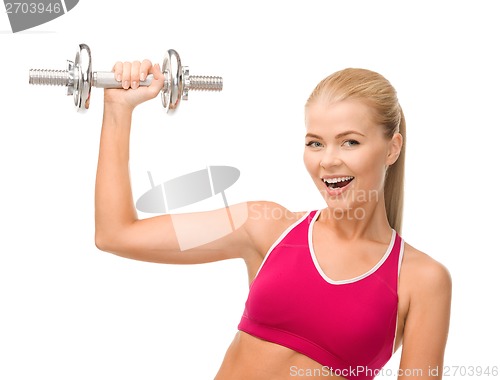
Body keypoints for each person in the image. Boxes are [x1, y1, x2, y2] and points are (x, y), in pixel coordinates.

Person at [95, 59, 452, 379]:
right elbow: (116, 234)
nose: (327, 161)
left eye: (350, 142)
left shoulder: (421, 280)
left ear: (392, 148)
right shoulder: (264, 226)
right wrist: (118, 108)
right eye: (315, 143)